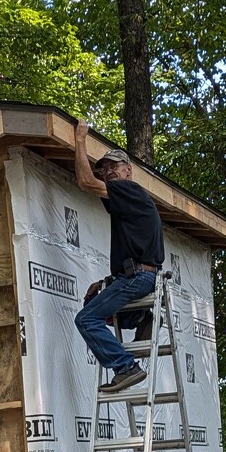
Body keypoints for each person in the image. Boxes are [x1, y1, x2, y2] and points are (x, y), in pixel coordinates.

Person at [73, 120, 165, 392]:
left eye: (115, 167)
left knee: (86, 319)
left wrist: (80, 140)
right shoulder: (126, 200)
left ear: (129, 171)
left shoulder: (130, 190)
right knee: (95, 300)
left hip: (139, 278)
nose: (109, 172)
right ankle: (141, 318)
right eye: (105, 168)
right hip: (138, 276)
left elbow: (85, 181)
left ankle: (126, 368)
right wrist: (108, 281)